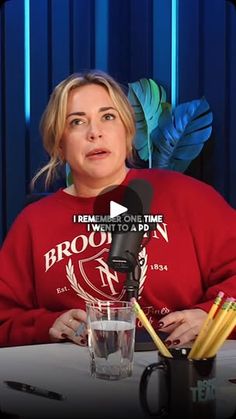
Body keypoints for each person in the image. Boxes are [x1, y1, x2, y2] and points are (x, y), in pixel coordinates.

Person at [0, 70, 235, 348]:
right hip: (72, 377)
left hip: (178, 367)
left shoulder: (188, 197)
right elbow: (5, 319)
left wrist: (209, 316)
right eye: (76, 122)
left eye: (107, 117)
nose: (94, 132)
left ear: (127, 130)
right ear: (60, 144)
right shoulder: (34, 223)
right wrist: (48, 325)